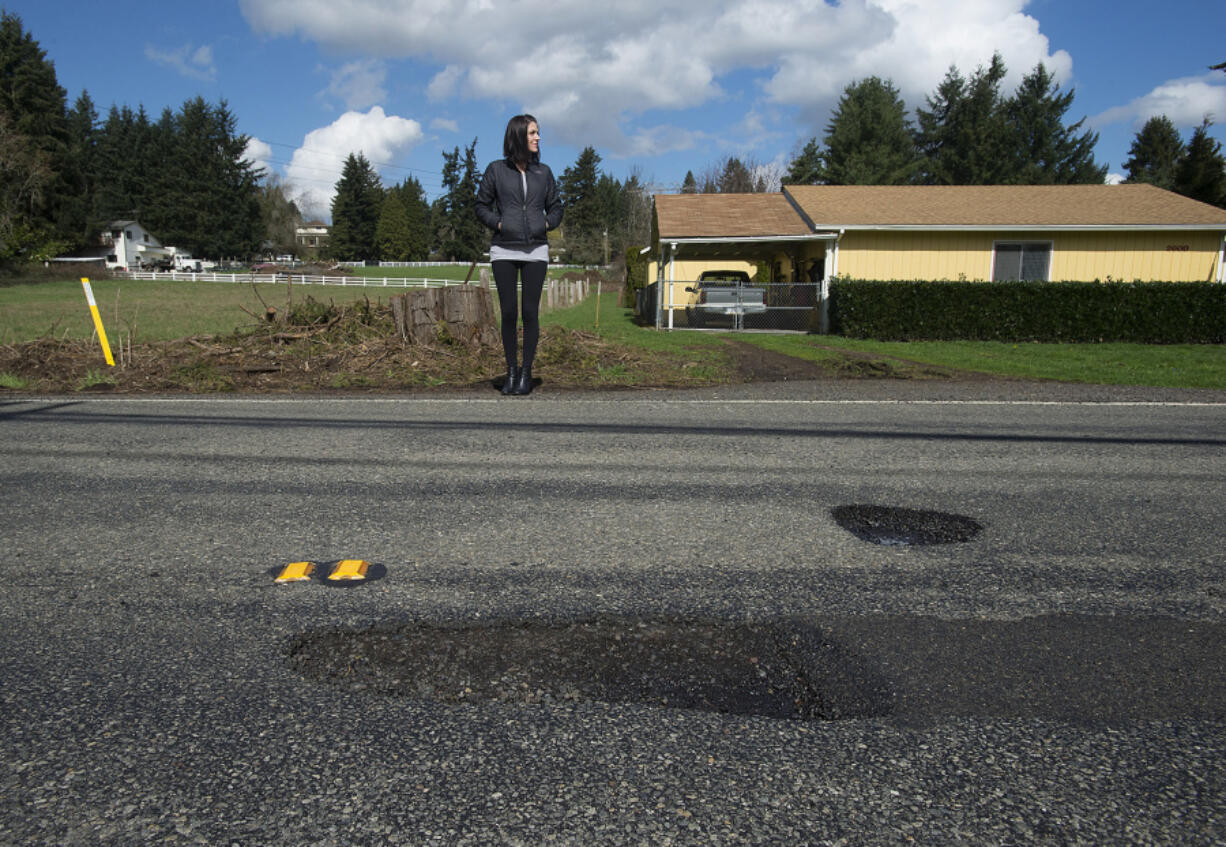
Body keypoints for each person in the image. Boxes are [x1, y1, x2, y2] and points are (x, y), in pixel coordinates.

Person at [475, 114, 563, 395]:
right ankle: (511, 372)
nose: (538, 138)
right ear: (518, 136)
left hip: (536, 250)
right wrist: (500, 223)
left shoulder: (544, 173)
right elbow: (481, 206)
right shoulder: (496, 170)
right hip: (504, 249)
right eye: (532, 133)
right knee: (510, 313)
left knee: (530, 312)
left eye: (538, 133)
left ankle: (526, 373)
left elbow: (557, 208)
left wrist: (545, 223)